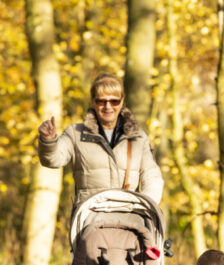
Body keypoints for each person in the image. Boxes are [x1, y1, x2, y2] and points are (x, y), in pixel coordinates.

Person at [37, 73, 163, 208]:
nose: (108, 107)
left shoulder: (137, 138)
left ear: (122, 101)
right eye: (101, 101)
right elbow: (52, 160)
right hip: (89, 216)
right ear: (93, 101)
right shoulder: (75, 134)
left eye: (114, 101)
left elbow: (152, 177)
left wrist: (145, 206)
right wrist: (48, 141)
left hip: (128, 215)